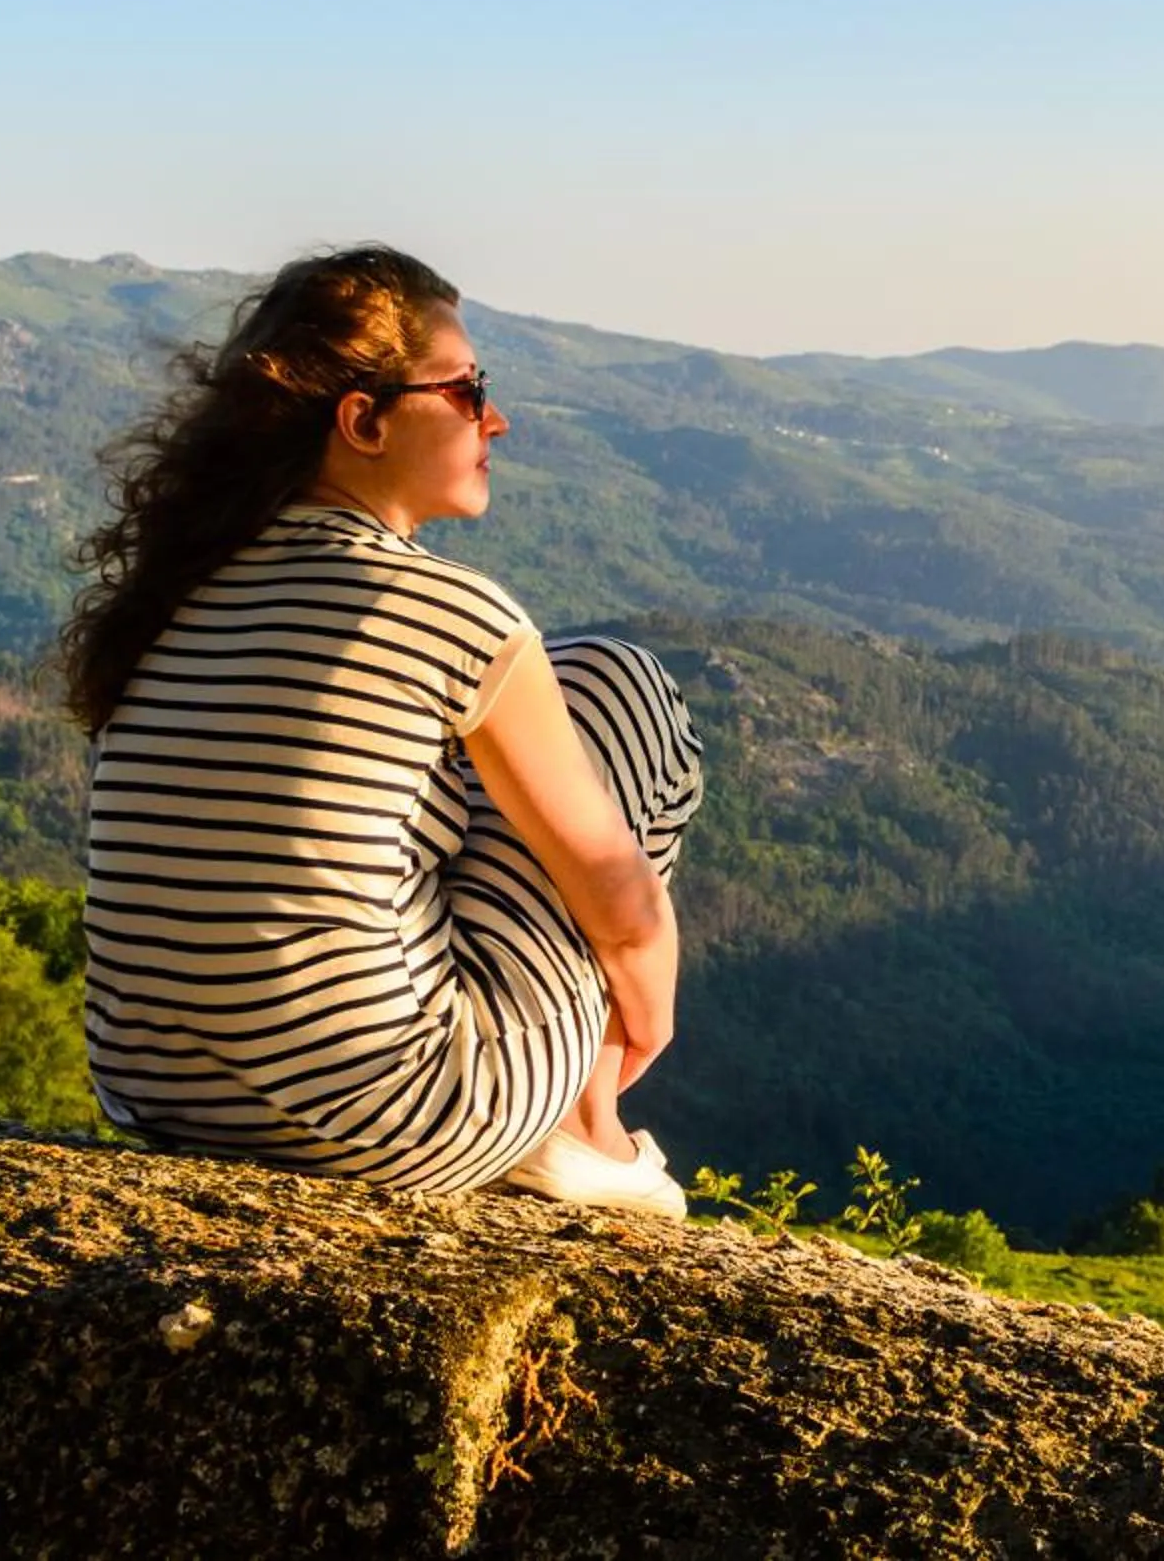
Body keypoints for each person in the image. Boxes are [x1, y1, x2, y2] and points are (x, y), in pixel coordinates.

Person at [59, 246, 701, 1217]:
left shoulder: (172, 599)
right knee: (616, 681)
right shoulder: (451, 612)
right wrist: (637, 1021)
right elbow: (621, 898)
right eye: (466, 389)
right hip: (406, 1113)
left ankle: (568, 1114)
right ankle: (590, 1126)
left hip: (159, 1098)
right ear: (363, 419)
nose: (496, 417)